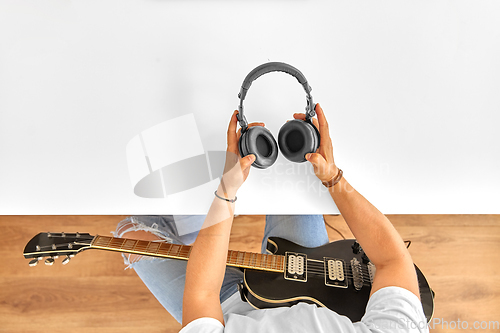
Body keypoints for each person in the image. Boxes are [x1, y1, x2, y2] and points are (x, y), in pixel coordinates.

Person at [114, 104, 429, 332]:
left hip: (225, 307)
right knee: (290, 173)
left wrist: (226, 192)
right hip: (314, 287)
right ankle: (206, 233)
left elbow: (203, 294)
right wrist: (333, 178)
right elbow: (392, 261)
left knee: (130, 232)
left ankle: (200, 233)